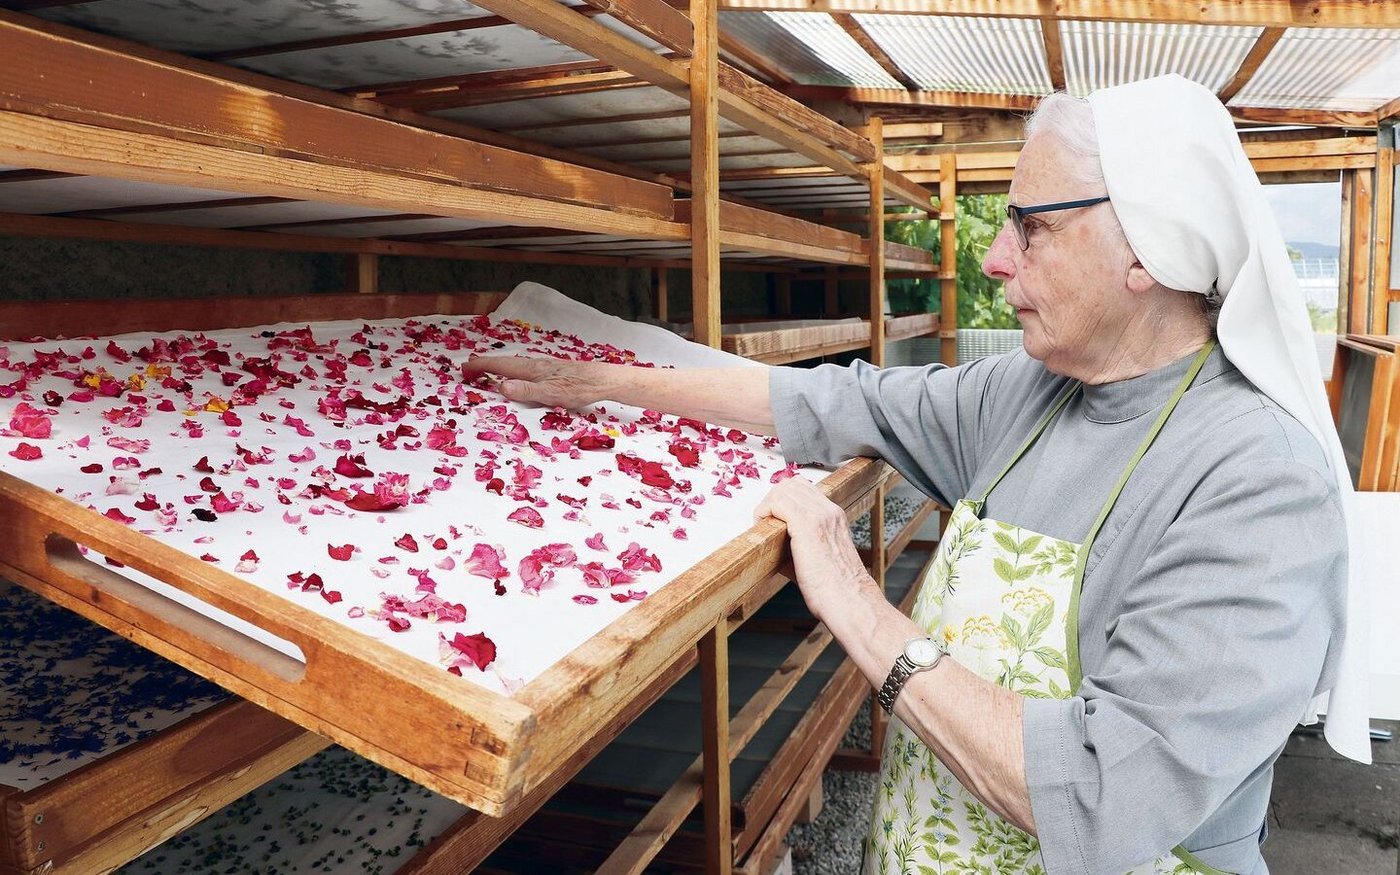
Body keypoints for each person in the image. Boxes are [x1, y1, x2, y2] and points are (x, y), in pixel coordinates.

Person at [472, 74, 1370, 874]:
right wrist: (606, 380)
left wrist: (859, 606)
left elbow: (1102, 798)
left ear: (1146, 249)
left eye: (1032, 226)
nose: (994, 257)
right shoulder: (1028, 393)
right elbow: (832, 401)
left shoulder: (1260, 485)